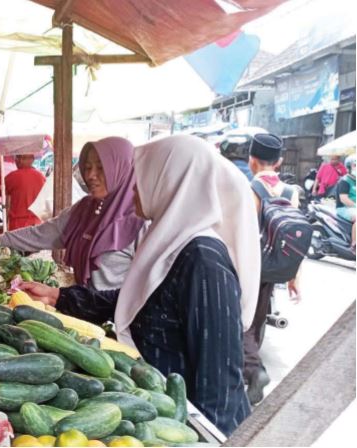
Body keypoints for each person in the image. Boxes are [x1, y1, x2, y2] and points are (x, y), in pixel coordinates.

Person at [21, 135, 260, 435]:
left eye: (141, 178)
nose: (132, 186)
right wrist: (61, 297)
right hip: (160, 408)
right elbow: (142, 302)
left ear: (169, 181)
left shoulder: (204, 260)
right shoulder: (170, 243)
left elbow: (220, 380)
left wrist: (206, 438)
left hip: (191, 424)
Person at [0, 137, 144, 291]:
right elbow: (40, 234)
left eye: (101, 168)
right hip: (84, 314)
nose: (91, 175)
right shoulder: (84, 210)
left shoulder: (141, 222)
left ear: (122, 169)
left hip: (117, 326)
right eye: (87, 167)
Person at [243, 133, 301, 405]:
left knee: (241, 322)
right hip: (276, 269)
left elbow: (242, 234)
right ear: (278, 162)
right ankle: (252, 366)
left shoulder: (250, 189)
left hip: (250, 266)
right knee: (257, 321)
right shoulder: (292, 192)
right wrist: (293, 278)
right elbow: (295, 241)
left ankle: (253, 369)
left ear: (251, 160)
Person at [4, 154, 47, 231]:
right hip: (36, 223)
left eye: (22, 158)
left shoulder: (13, 176)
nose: (18, 161)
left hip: (18, 224)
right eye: (18, 157)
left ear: (32, 159)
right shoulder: (41, 177)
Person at [335, 156, 356, 249]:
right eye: (355, 165)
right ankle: (355, 244)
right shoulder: (344, 181)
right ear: (349, 167)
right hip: (344, 208)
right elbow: (344, 199)